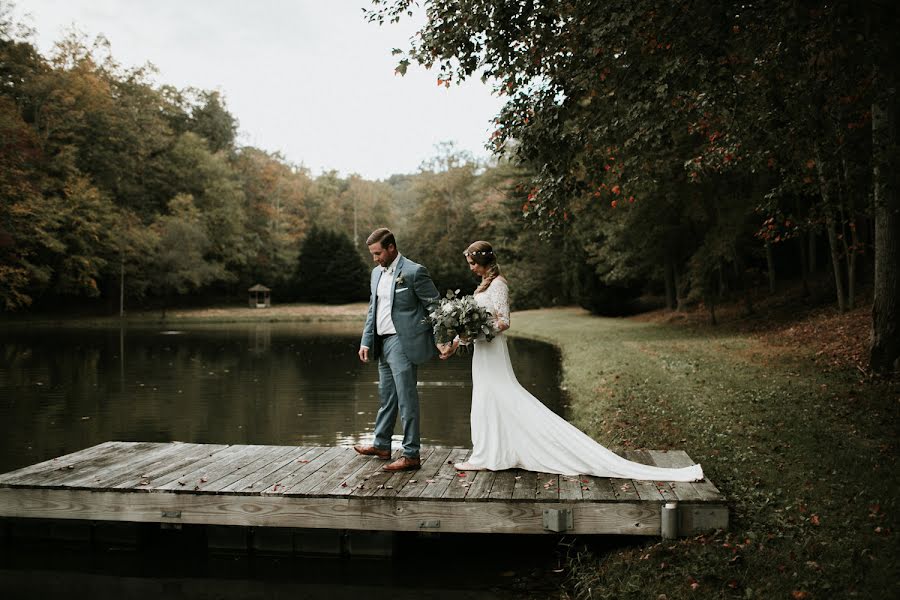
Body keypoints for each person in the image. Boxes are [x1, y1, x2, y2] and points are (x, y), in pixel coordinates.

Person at [446, 240, 704, 482]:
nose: (470, 268)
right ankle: (491, 452)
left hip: (493, 351)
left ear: (483, 261)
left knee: (501, 395)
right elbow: (479, 323)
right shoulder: (484, 285)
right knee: (487, 397)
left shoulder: (499, 284)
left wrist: (476, 332)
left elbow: (504, 321)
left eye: (472, 262)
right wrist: (460, 339)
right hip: (483, 352)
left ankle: (492, 454)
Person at [355, 228, 449, 472]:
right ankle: (382, 445)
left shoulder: (414, 272)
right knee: (387, 397)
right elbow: (372, 310)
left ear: (391, 248)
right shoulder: (376, 274)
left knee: (406, 399)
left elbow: (435, 307)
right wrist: (366, 340)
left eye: (377, 253)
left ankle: (411, 455)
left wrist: (441, 338)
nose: (375, 258)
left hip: (403, 342)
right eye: (372, 254)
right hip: (382, 342)